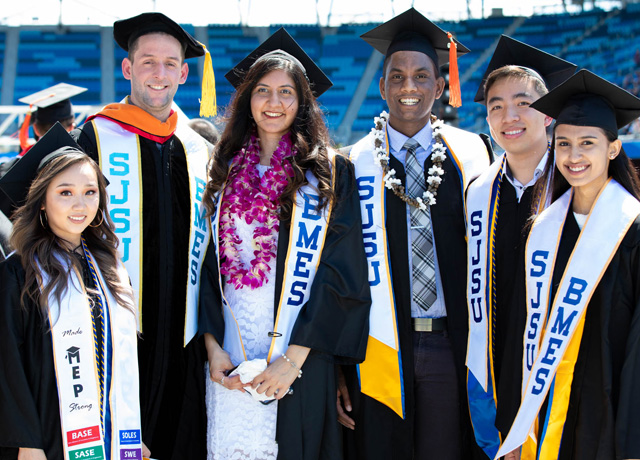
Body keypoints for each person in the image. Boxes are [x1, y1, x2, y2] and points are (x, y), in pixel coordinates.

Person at [199, 28, 370, 460]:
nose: (274, 103)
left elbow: (339, 273)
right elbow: (204, 266)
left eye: (286, 92)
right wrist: (214, 349)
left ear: (302, 102)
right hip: (230, 357)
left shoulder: (329, 173)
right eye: (262, 91)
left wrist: (292, 362)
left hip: (300, 356)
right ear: (246, 100)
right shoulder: (222, 169)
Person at [341, 8, 491, 460]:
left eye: (422, 76)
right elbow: (340, 274)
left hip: (451, 343)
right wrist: (338, 370)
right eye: (398, 77)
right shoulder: (352, 163)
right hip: (378, 348)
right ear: (382, 86)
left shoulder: (472, 156)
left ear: (440, 86)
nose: (410, 87)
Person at [71, 12, 215, 459]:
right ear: (127, 68)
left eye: (170, 63)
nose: (160, 73)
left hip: (187, 335)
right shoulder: (94, 136)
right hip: (113, 331)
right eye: (148, 62)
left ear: (185, 72)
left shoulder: (198, 147)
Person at [496, 69, 640, 460]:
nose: (574, 157)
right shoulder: (544, 230)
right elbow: (522, 333)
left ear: (613, 148)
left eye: (587, 143)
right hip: (544, 414)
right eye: (563, 144)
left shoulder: (632, 228)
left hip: (610, 412)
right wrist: (515, 425)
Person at [0, 123, 146, 460]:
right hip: (48, 434)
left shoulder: (110, 269)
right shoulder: (18, 272)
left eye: (90, 192)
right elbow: (8, 367)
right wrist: (27, 442)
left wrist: (131, 434)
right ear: (41, 201)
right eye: (65, 192)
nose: (80, 204)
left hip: (110, 434)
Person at [464, 36, 576, 459]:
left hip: (561, 369)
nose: (508, 115)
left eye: (523, 103)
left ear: (548, 113)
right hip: (496, 367)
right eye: (496, 106)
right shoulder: (478, 193)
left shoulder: (576, 187)